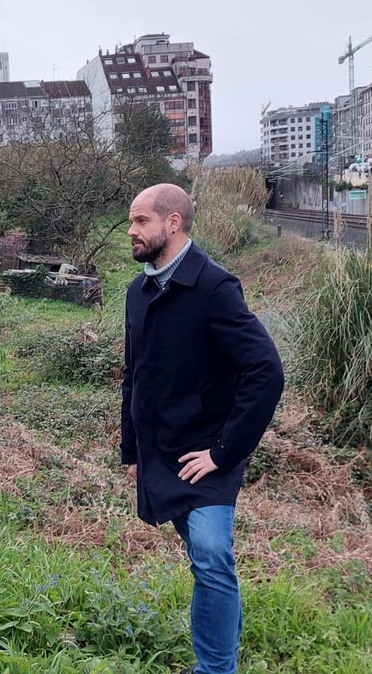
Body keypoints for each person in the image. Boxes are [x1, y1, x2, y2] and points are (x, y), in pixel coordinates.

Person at [120, 183, 284, 674]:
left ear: (172, 223)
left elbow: (265, 371)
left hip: (207, 452)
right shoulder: (138, 291)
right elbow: (133, 376)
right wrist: (132, 452)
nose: (131, 231)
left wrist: (223, 451)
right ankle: (223, 649)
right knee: (204, 558)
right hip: (161, 449)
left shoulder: (214, 287)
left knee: (211, 553)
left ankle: (215, 668)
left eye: (141, 221)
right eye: (131, 222)